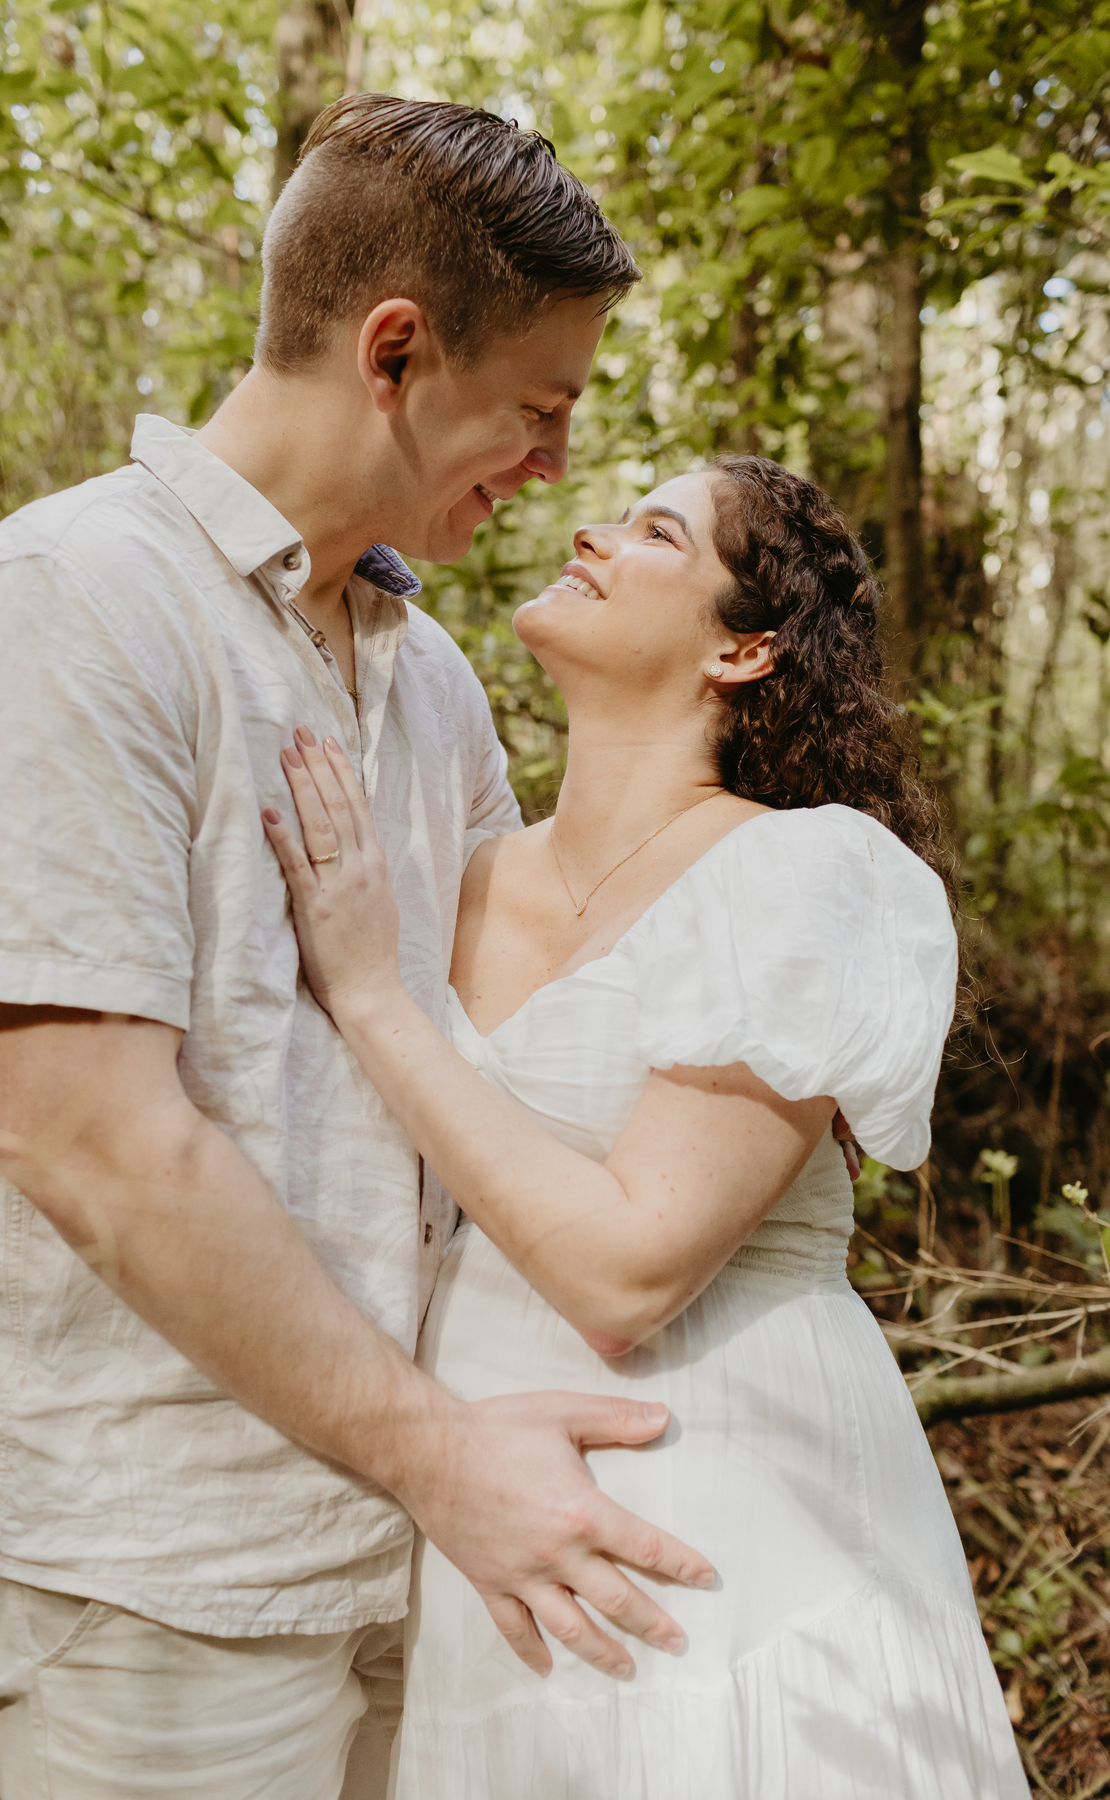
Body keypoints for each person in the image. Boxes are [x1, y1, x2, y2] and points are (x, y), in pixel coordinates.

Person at [0, 96, 717, 1800]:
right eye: (540, 410)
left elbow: (510, 1047)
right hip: (168, 1564)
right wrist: (446, 1461)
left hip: (421, 1540)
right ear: (397, 351)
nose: (558, 467)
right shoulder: (78, 597)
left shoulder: (423, 673)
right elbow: (88, 1140)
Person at [264, 454, 1031, 1799]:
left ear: (740, 649)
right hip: (483, 1516)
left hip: (730, 1495)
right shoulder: (457, 874)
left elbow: (631, 1275)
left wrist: (378, 1000)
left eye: (654, 529)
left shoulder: (810, 874)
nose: (592, 529)